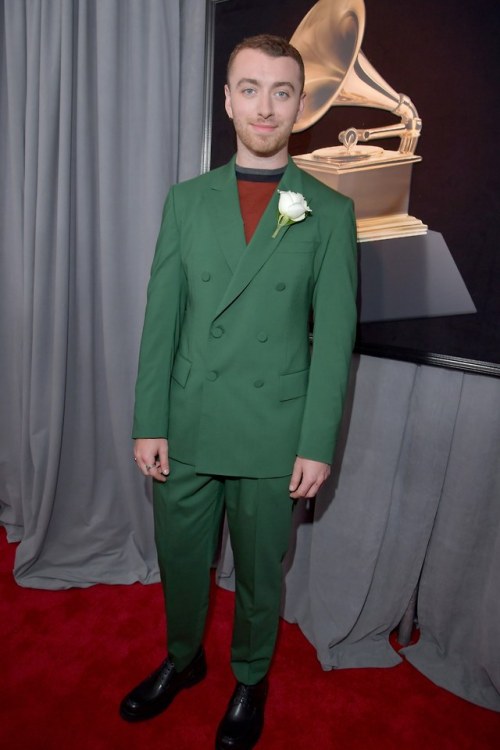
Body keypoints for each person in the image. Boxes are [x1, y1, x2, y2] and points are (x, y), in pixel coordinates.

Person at [120, 34, 358, 750]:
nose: (264, 105)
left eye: (281, 91)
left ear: (300, 105)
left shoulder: (328, 213)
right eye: (249, 88)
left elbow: (335, 344)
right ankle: (183, 659)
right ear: (227, 100)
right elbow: (162, 318)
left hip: (272, 431)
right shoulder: (186, 202)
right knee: (183, 559)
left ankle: (250, 678)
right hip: (188, 421)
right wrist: (148, 419)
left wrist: (317, 444)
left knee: (260, 575)